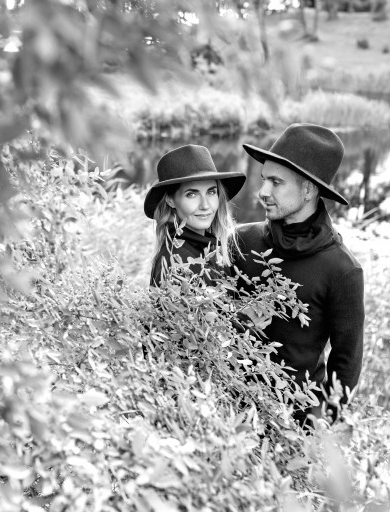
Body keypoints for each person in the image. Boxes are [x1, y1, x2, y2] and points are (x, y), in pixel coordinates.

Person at [235, 123, 365, 423]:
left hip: (295, 421)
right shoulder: (241, 241)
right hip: (230, 408)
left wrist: (320, 429)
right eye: (264, 179)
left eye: (276, 182)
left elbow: (346, 365)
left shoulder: (343, 269)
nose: (263, 192)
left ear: (307, 190)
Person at [144, 144, 246, 287]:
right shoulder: (177, 262)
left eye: (211, 192)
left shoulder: (210, 249)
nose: (205, 205)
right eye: (192, 194)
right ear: (170, 200)